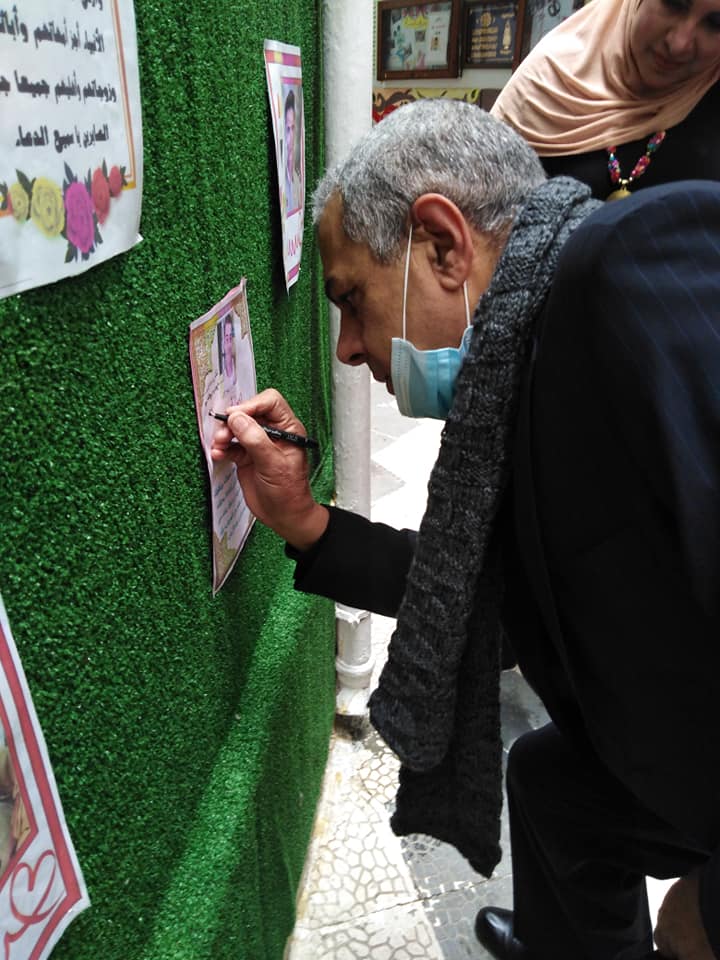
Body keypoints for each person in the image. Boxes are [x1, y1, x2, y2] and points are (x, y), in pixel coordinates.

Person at [210, 99, 720, 960]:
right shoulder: (523, 367)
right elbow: (490, 588)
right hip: (667, 751)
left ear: (443, 246)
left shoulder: (633, 267)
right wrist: (305, 521)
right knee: (551, 782)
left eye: (352, 301)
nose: (346, 348)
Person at [491, 0, 720, 200]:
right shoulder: (549, 80)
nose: (679, 43)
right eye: (674, 4)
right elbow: (484, 217)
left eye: (715, 23)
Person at [283, 89, 302, 213]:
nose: (290, 138)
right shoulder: (283, 175)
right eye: (287, 129)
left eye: (293, 128)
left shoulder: (297, 177)